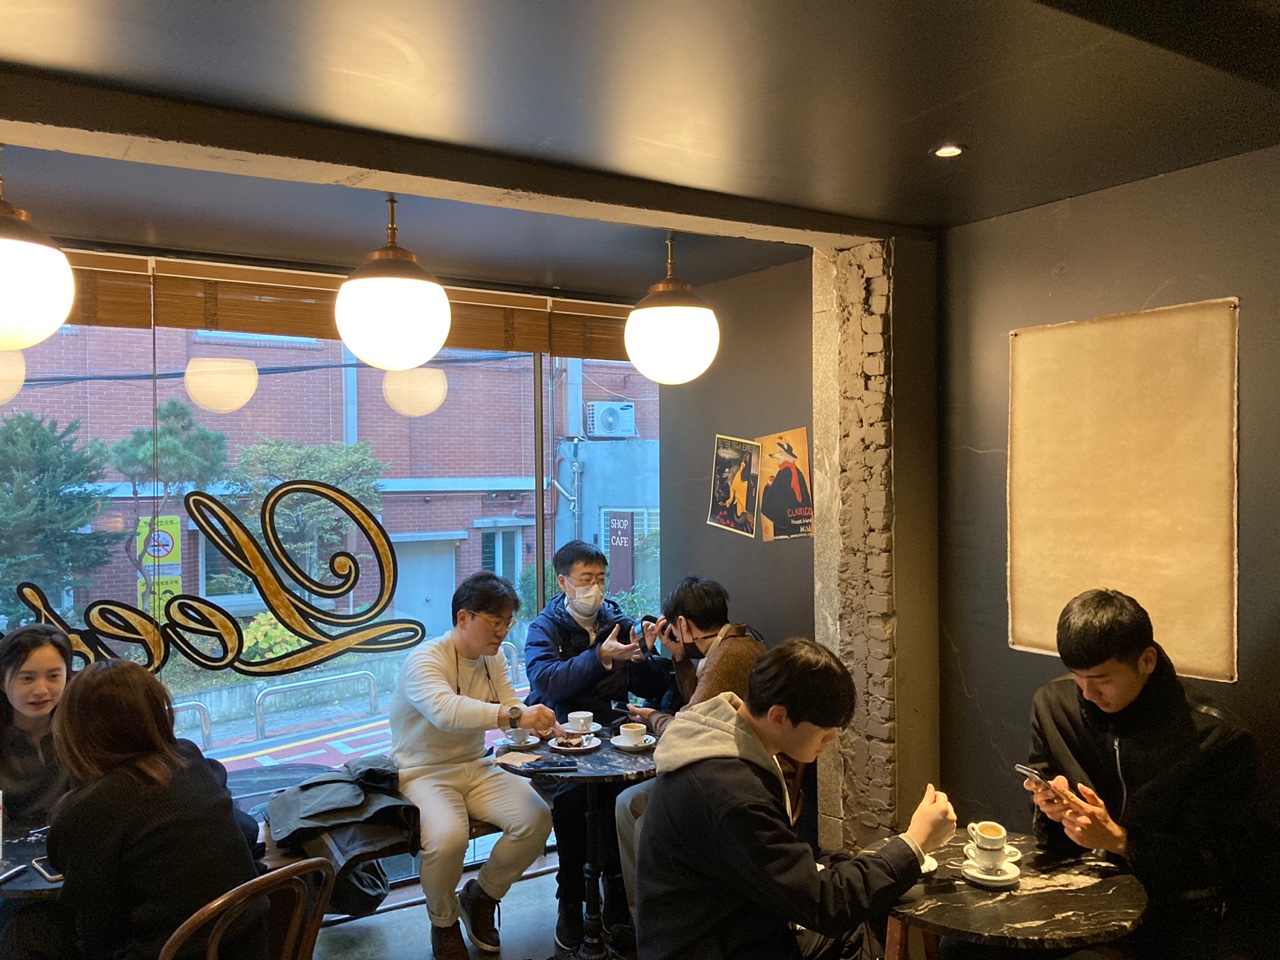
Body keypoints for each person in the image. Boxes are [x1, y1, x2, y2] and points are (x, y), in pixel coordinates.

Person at [636, 639, 957, 960]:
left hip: (728, 922)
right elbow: (826, 906)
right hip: (709, 945)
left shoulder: (727, 738)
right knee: (852, 931)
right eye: (825, 728)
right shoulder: (731, 791)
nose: (832, 738)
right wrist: (915, 842)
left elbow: (779, 864)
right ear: (778, 716)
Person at [1022, 588, 1257, 959]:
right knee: (966, 947)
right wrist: (1051, 807)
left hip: (1168, 912)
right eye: (1078, 677)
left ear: (1146, 661)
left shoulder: (1215, 738)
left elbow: (1215, 862)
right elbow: (1046, 811)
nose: (1087, 693)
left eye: (1102, 679)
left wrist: (1120, 840)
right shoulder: (1053, 705)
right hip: (1077, 888)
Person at [32, 659, 264, 960]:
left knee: (28, 930)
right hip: (250, 941)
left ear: (74, 730)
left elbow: (94, 929)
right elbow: (244, 828)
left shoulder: (89, 808)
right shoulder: (187, 757)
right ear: (158, 713)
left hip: (172, 952)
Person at [390, 571, 556, 960]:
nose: (502, 632)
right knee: (448, 838)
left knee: (536, 818)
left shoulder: (492, 658)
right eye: (495, 622)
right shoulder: (425, 659)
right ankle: (443, 921)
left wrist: (540, 726)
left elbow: (510, 707)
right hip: (422, 772)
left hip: (477, 765)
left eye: (507, 623)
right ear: (463, 617)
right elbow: (447, 712)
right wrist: (517, 716)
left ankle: (481, 896)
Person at [616, 576, 790, 926]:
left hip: (734, 781)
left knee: (643, 821)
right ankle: (642, 918)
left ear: (682, 624)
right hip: (727, 769)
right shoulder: (736, 644)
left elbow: (685, 731)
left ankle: (653, 924)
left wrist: (652, 718)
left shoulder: (726, 659)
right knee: (626, 804)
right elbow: (700, 709)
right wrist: (681, 659)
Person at [524, 539, 670, 951]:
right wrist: (602, 661)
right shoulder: (544, 628)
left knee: (619, 795)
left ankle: (616, 892)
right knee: (574, 800)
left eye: (601, 579)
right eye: (586, 579)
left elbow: (648, 686)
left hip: (611, 740)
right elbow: (547, 682)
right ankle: (570, 899)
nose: (595, 588)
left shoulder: (616, 620)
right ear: (564, 582)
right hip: (559, 744)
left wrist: (645, 655)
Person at [0, 624, 73, 831]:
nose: (41, 690)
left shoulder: (80, 729)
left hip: (72, 842)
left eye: (53, 676)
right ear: (1, 682)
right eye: (27, 678)